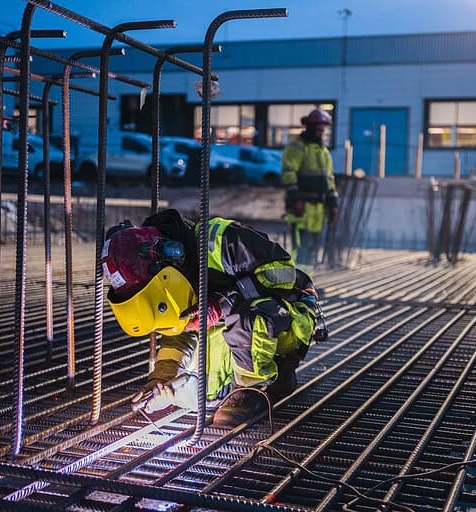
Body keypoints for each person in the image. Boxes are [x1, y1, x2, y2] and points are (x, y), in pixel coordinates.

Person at [101, 209, 318, 428]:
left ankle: (251, 392)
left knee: (247, 318)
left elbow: (283, 274)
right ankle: (278, 380)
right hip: (238, 327)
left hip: (288, 315)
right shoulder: (173, 273)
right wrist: (162, 378)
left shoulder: (220, 240)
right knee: (210, 391)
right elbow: (178, 331)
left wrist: (223, 301)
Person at [281, 108, 339, 274]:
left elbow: (330, 181)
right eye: (319, 128)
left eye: (324, 129)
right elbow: (288, 174)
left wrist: (333, 204)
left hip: (319, 211)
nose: (322, 132)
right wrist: (296, 199)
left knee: (312, 249)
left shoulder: (323, 152)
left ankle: (307, 282)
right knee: (301, 248)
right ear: (310, 127)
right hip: (302, 209)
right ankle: (296, 284)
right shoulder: (297, 148)